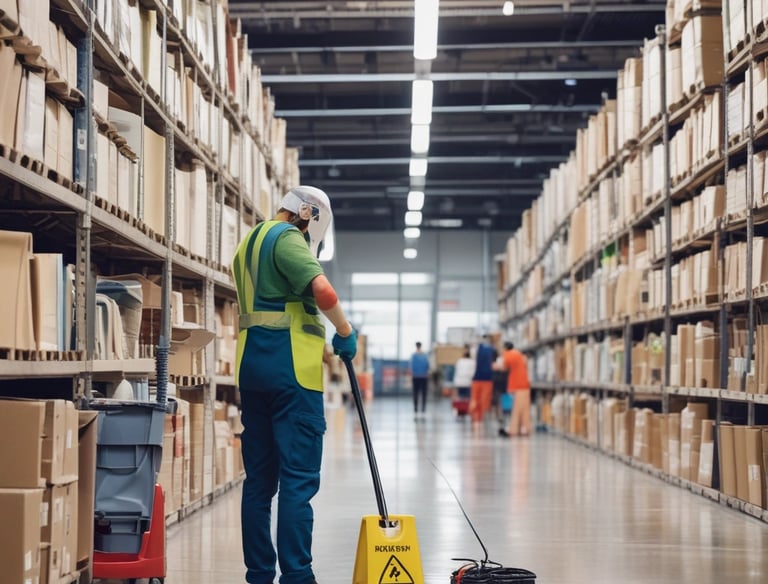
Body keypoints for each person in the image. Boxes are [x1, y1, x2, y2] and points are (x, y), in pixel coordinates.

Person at [231, 185, 357, 584]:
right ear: (307, 216)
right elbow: (324, 290)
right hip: (292, 375)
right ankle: (298, 576)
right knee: (298, 482)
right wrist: (344, 329)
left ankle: (259, 575)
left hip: (253, 371)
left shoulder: (247, 242)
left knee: (259, 485)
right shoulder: (286, 238)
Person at [498, 341, 532, 437]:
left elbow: (504, 367)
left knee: (517, 409)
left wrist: (495, 366)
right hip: (524, 384)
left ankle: (514, 430)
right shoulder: (519, 354)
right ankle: (524, 428)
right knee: (524, 409)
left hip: (518, 385)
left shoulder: (508, 354)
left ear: (505, 348)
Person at [469, 334, 497, 425]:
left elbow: (473, 363)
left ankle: (475, 419)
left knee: (475, 399)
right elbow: (494, 363)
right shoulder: (493, 349)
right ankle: (482, 419)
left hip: (476, 378)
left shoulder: (475, 349)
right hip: (488, 379)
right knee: (484, 400)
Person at [452, 347, 475, 416]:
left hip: (460, 382)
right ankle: (466, 410)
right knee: (467, 398)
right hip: (468, 382)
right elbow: (473, 373)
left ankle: (460, 410)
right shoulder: (472, 362)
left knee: (460, 397)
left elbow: (457, 371)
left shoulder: (459, 361)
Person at [409, 341, 430, 417]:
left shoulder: (413, 356)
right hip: (424, 377)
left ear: (416, 346)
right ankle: (423, 409)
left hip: (415, 377)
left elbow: (411, 367)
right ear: (421, 346)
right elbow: (428, 366)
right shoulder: (425, 356)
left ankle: (415, 408)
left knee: (415, 393)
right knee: (424, 393)